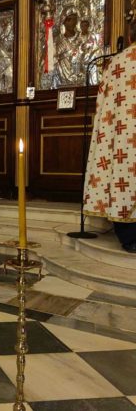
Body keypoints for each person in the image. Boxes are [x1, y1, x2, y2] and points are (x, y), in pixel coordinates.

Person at [83, 16, 136, 253]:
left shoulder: (116, 63)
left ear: (131, 35)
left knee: (123, 179)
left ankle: (129, 238)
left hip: (122, 137)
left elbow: (103, 105)